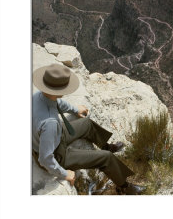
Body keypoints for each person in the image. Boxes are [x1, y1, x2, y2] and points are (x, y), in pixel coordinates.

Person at [32, 63, 145, 195]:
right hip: (58, 154)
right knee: (106, 158)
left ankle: (105, 146)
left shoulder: (38, 96)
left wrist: (75, 109)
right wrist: (64, 173)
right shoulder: (50, 122)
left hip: (54, 136)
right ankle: (124, 187)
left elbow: (55, 103)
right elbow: (45, 159)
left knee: (87, 123)